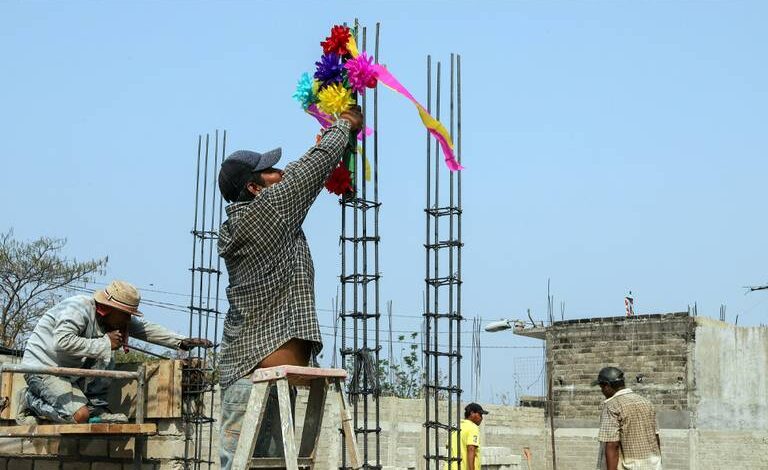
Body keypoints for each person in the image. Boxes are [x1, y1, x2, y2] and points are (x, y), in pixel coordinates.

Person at [216, 106, 364, 468]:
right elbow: (310, 168)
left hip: (263, 379)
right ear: (254, 188)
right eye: (269, 171)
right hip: (254, 376)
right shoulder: (266, 210)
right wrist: (343, 124)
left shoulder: (253, 220)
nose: (278, 173)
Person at [17, 280, 212, 425]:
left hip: (68, 371)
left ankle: (97, 408)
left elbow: (145, 329)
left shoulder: (114, 319)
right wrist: (105, 343)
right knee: (80, 417)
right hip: (42, 369)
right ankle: (29, 399)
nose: (128, 319)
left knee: (108, 351)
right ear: (110, 308)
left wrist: (181, 342)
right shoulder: (77, 308)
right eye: (126, 313)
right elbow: (62, 342)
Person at [594, 366, 663, 470]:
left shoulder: (612, 405)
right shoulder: (646, 402)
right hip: (654, 464)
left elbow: (612, 444)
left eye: (602, 388)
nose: (602, 391)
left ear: (607, 386)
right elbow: (655, 437)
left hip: (631, 465)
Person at [446, 402, 488, 470]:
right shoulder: (472, 427)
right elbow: (471, 449)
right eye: (480, 414)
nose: (481, 418)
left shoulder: (455, 426)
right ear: (472, 413)